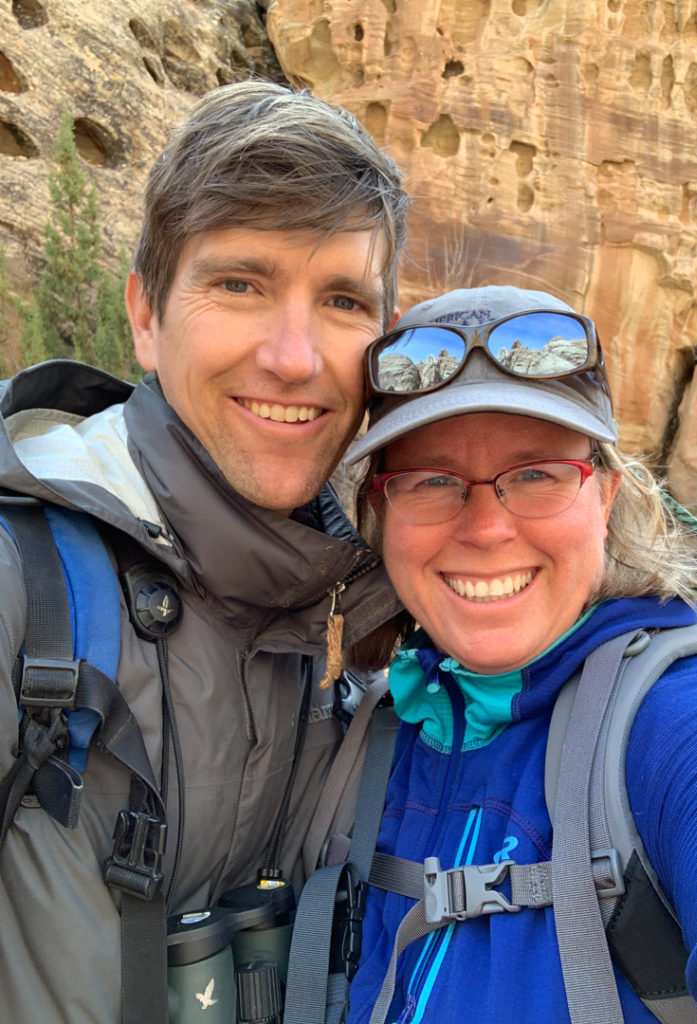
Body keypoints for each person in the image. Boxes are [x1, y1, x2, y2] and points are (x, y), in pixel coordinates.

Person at [0, 80, 408, 1022]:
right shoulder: (25, 579)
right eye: (240, 284)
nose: (296, 356)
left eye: (344, 300)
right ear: (145, 316)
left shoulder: (370, 601)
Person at [342, 285, 697, 1024]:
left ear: (603, 494)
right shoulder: (369, 735)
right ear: (381, 511)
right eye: (432, 480)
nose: (485, 528)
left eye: (536, 474)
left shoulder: (695, 728)